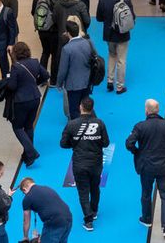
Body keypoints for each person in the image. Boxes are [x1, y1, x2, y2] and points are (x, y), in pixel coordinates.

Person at [126, 99, 165, 239]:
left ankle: (147, 219)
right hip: (164, 166)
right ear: (158, 110)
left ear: (146, 110)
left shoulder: (140, 126)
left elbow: (129, 143)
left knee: (146, 193)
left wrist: (137, 152)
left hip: (146, 167)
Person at [60, 97, 110, 231]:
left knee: (83, 191)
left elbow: (63, 144)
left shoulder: (71, 124)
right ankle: (94, 211)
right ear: (92, 108)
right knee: (95, 187)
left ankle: (88, 221)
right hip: (96, 163)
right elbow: (106, 143)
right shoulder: (100, 123)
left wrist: (75, 143)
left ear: (80, 107)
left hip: (80, 163)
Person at [8, 42, 48, 165]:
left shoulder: (16, 66)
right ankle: (27, 155)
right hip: (35, 97)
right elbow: (46, 75)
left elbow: (12, 86)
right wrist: (35, 83)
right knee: (29, 126)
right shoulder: (35, 62)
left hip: (20, 101)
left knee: (18, 127)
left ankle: (31, 152)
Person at [96, 0, 136, 94]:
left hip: (109, 35)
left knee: (112, 55)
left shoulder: (102, 1)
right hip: (122, 35)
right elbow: (132, 17)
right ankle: (120, 86)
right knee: (121, 60)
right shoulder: (126, 0)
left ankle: (110, 81)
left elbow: (99, 18)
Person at [52, 0, 91, 81]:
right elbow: (87, 21)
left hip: (62, 36)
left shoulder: (57, 4)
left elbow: (54, 19)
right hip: (78, 36)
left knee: (62, 59)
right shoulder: (80, 5)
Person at [19, 177, 73, 243]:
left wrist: (25, 236)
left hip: (54, 222)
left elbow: (26, 221)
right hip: (68, 218)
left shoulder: (27, 198)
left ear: (24, 189)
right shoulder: (46, 188)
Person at [58, 21, 93, 118]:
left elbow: (63, 70)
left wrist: (59, 83)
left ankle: (76, 129)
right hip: (87, 82)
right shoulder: (88, 43)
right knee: (86, 108)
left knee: (73, 110)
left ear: (68, 33)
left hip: (73, 85)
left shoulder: (67, 49)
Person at [31, 0, 63, 76]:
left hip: (41, 29)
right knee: (54, 54)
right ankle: (53, 78)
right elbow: (59, 15)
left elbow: (33, 12)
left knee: (45, 52)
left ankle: (42, 76)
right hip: (53, 31)